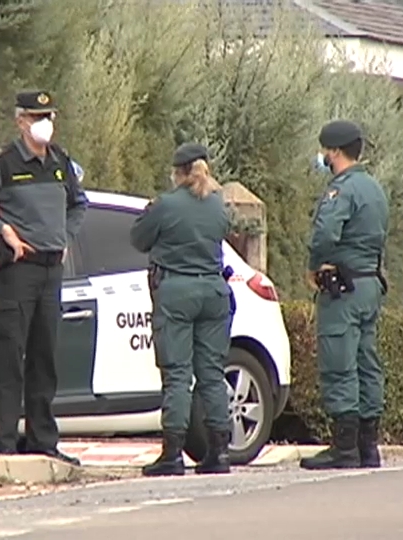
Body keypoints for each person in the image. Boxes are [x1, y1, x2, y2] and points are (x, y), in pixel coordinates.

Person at [0, 90, 88, 466]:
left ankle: (44, 440)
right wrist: (3, 231)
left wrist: (65, 236)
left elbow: (79, 204)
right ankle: (5, 444)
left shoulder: (59, 161)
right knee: (12, 357)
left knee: (44, 357)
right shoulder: (4, 164)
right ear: (21, 121)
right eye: (36, 116)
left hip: (49, 270)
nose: (45, 123)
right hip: (17, 272)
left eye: (49, 115)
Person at [130, 143, 233, 477]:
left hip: (176, 291)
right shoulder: (218, 205)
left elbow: (139, 239)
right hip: (214, 291)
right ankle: (219, 452)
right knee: (212, 374)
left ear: (178, 173)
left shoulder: (166, 204)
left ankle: (173, 454)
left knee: (177, 374)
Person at [300, 119, 390, 470]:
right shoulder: (374, 188)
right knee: (367, 363)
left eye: (324, 150)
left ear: (334, 152)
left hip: (344, 287)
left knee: (339, 364)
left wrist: (314, 265)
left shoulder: (342, 189)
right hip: (370, 283)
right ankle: (369, 448)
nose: (321, 156)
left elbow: (325, 233)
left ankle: (344, 449)